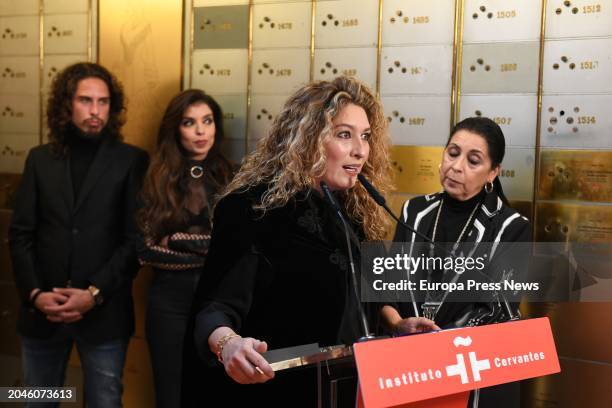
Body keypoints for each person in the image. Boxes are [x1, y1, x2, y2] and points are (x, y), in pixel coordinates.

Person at [181, 76, 436, 406]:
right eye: (344, 135)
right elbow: (214, 307)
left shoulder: (357, 209)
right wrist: (229, 343)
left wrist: (397, 322)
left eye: (366, 137)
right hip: (276, 390)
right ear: (308, 139)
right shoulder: (251, 207)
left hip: (345, 387)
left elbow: (369, 292)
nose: (360, 150)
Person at [8, 62, 148, 407]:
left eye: (103, 102)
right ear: (66, 103)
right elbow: (21, 234)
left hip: (104, 315)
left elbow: (134, 241)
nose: (95, 110)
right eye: (86, 100)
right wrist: (35, 294)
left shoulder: (131, 160)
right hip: (43, 313)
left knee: (104, 401)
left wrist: (93, 293)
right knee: (39, 401)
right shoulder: (39, 159)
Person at [382, 116, 531, 407]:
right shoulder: (415, 211)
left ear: (493, 172)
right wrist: (398, 323)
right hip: (407, 367)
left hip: (469, 375)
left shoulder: (511, 227)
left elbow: (498, 312)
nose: (457, 166)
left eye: (473, 161)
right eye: (452, 153)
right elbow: (388, 287)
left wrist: (438, 343)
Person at [136, 89, 233, 408]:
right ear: (175, 129)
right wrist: (208, 248)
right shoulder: (156, 178)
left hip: (218, 301)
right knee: (171, 395)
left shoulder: (229, 176)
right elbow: (146, 251)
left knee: (214, 393)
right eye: (190, 123)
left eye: (207, 121)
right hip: (169, 305)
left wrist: (176, 240)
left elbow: (232, 244)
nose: (201, 131)